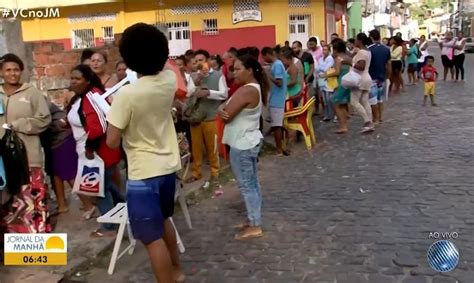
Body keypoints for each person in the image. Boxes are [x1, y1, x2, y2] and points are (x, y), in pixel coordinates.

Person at [106, 23, 185, 283]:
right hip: (168, 169)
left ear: (128, 59)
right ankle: (177, 271)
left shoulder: (126, 95)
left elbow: (112, 141)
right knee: (164, 222)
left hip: (142, 175)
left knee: (151, 240)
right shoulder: (168, 80)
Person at [68, 64, 123, 237]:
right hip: (103, 151)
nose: (73, 82)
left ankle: (109, 227)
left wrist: (89, 148)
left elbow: (99, 127)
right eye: (72, 78)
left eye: (77, 79)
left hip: (101, 152)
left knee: (99, 191)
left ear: (88, 80)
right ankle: (126, 209)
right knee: (107, 186)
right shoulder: (86, 95)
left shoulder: (91, 96)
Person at [0, 53, 52, 233]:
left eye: (16, 70)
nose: (12, 73)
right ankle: (12, 242)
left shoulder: (31, 92)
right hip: (3, 160)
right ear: (1, 73)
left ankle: (35, 240)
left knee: (30, 199)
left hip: (29, 156)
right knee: (9, 201)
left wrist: (20, 124)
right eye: (8, 70)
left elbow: (44, 119)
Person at [219, 54, 269, 240]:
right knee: (252, 183)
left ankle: (255, 224)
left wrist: (223, 109)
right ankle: (252, 218)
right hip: (246, 140)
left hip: (243, 143)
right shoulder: (248, 89)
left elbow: (226, 114)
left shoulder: (247, 90)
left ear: (249, 70)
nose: (235, 72)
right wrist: (223, 108)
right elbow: (224, 109)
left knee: (247, 185)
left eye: (238, 68)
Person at [188, 49, 228, 183]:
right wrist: (196, 82)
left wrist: (209, 93)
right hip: (196, 116)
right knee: (196, 147)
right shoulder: (193, 76)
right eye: (196, 61)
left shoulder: (218, 75)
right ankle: (196, 172)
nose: (199, 63)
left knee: (212, 147)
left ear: (208, 61)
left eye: (202, 60)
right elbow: (188, 94)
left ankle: (215, 172)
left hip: (211, 115)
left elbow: (224, 94)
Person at [41, 100, 78, 214]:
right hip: (52, 140)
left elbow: (44, 119)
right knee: (55, 173)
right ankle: (62, 204)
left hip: (61, 138)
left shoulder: (33, 97)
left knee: (68, 173)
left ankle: (87, 203)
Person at [262, 47, 288, 156]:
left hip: (277, 100)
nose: (264, 59)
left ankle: (279, 149)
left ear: (268, 54)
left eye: (264, 57)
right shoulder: (277, 64)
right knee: (276, 124)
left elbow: (279, 82)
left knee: (277, 126)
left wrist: (268, 75)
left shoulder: (277, 65)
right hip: (276, 99)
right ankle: (281, 146)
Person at [326, 40, 351, 134]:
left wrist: (326, 75)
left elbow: (337, 72)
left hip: (340, 83)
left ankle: (343, 126)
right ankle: (344, 122)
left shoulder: (338, 58)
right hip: (347, 82)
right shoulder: (347, 57)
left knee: (335, 103)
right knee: (342, 104)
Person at [351, 33, 375, 133]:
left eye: (356, 40)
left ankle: (367, 121)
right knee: (365, 101)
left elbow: (361, 66)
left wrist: (351, 63)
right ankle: (370, 123)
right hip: (366, 77)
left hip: (360, 78)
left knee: (354, 102)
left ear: (360, 41)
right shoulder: (367, 51)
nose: (355, 42)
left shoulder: (361, 52)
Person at [368, 29, 391, 125]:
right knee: (380, 99)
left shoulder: (369, 49)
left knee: (373, 100)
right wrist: (388, 76)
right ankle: (380, 117)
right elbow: (388, 64)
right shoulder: (386, 49)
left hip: (372, 77)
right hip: (382, 77)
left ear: (371, 37)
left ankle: (376, 119)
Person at [317, 45, 335, 122]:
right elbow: (317, 68)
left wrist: (321, 68)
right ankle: (326, 115)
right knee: (324, 100)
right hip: (321, 81)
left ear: (329, 50)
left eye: (325, 50)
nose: (324, 51)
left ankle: (332, 115)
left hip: (329, 80)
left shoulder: (330, 58)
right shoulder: (321, 59)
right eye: (323, 49)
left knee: (329, 99)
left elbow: (326, 68)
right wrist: (321, 68)